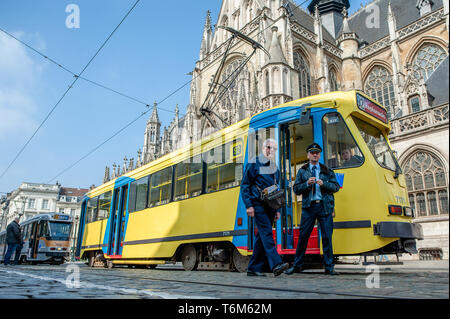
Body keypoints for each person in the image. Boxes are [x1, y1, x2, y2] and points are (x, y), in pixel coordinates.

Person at [285, 143, 340, 275]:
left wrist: (324, 184)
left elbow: (336, 187)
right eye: (312, 152)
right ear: (308, 155)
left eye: (317, 153)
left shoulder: (327, 170)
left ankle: (329, 267)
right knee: (303, 236)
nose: (315, 154)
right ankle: (297, 266)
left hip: (324, 207)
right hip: (309, 208)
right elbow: (296, 189)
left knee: (327, 236)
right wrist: (306, 184)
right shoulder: (303, 171)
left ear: (319, 155)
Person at [240, 138, 290, 277]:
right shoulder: (254, 162)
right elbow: (245, 185)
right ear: (263, 148)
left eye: (273, 148)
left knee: (261, 237)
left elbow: (276, 190)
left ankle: (253, 268)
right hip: (257, 204)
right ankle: (276, 264)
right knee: (267, 232)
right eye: (268, 147)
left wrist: (277, 210)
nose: (270, 150)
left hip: (270, 206)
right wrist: (249, 205)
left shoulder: (274, 167)